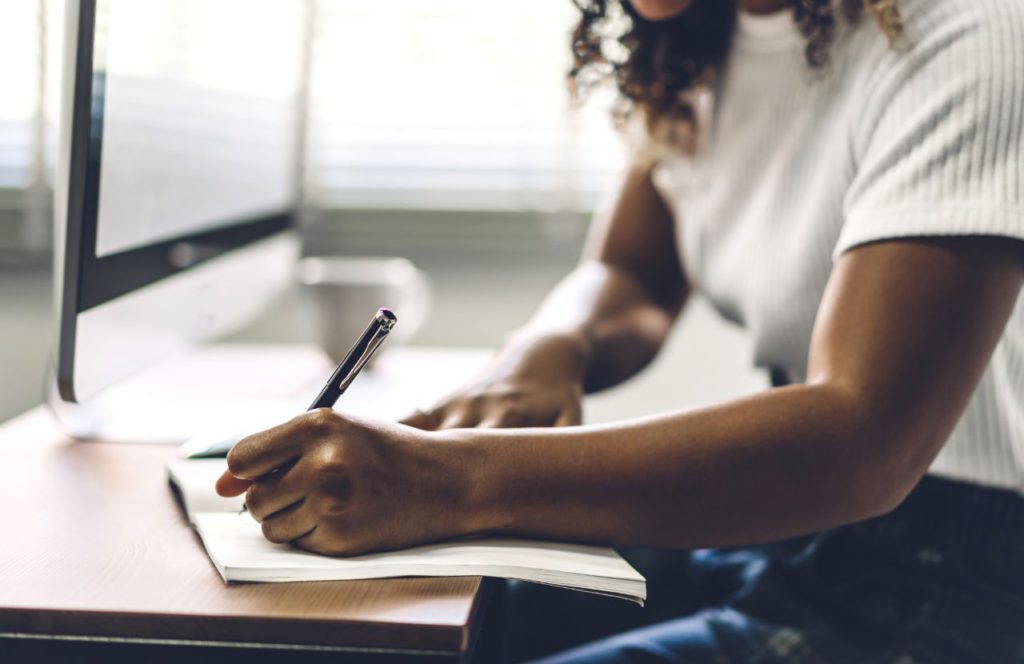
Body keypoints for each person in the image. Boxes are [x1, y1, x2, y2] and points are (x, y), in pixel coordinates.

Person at [216, 0, 1024, 660]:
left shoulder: (967, 32)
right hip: (789, 530)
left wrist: (451, 479)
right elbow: (634, 276)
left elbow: (863, 443)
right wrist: (547, 346)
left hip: (960, 578)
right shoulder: (698, 38)